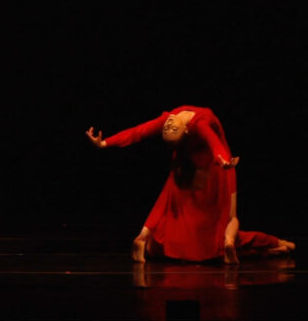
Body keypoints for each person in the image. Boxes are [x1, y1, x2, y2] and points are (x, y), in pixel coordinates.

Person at [86, 105, 294, 264]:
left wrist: (105, 142)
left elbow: (141, 131)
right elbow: (140, 132)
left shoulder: (185, 121)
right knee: (229, 217)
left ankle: (143, 235)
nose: (167, 124)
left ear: (185, 133)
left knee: (170, 196)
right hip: (215, 162)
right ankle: (233, 243)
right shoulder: (186, 122)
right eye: (168, 127)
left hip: (209, 161)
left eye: (170, 127)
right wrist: (104, 143)